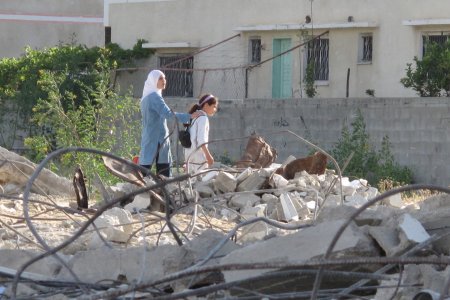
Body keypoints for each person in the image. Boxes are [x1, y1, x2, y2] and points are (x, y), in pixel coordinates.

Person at [139, 69, 200, 177]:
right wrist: (189, 116)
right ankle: (164, 192)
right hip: (158, 138)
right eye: (160, 78)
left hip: (149, 136)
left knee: (144, 168)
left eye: (165, 78)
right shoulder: (154, 97)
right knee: (164, 171)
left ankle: (139, 191)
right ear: (153, 81)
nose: (164, 80)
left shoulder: (146, 97)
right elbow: (168, 114)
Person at [184, 93, 219, 173]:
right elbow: (201, 140)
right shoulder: (203, 118)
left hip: (189, 154)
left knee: (191, 182)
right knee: (201, 182)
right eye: (214, 106)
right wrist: (208, 156)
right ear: (206, 105)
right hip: (198, 156)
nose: (215, 109)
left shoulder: (194, 116)